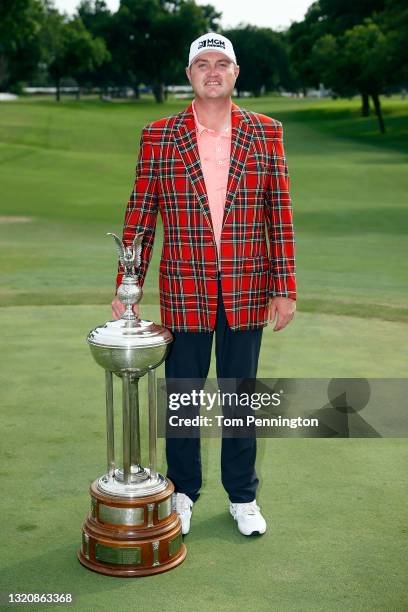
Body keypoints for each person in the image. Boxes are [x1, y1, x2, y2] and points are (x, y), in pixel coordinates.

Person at [112, 32, 296, 536]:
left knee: (240, 397)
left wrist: (286, 286)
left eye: (222, 63)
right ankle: (184, 492)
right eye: (202, 64)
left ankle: (243, 497)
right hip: (184, 289)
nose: (212, 72)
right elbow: (141, 216)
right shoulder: (159, 135)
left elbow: (277, 214)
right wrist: (126, 283)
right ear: (190, 75)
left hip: (247, 288)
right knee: (184, 398)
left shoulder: (266, 133)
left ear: (235, 73)